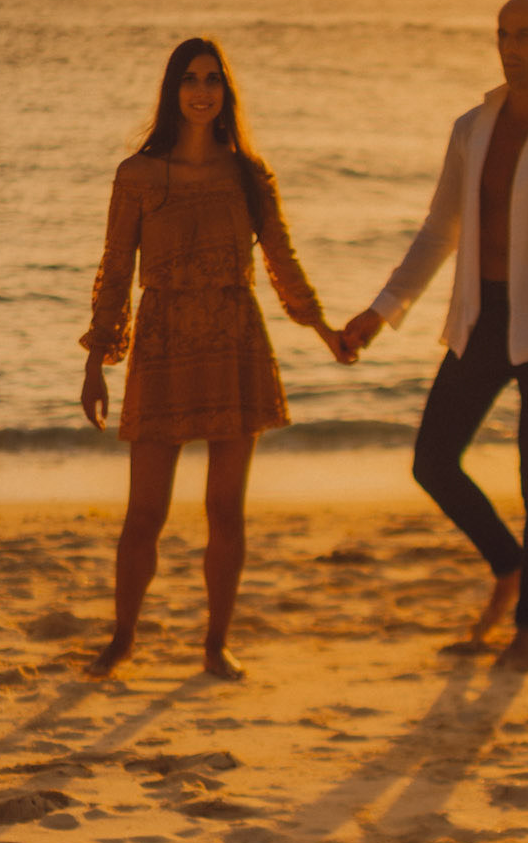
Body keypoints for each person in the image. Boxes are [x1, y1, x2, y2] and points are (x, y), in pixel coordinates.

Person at [341, 0, 528, 670]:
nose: (512, 46)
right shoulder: (472, 127)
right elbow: (441, 229)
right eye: (503, 34)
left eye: (526, 34)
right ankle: (509, 565)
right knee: (432, 462)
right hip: (480, 318)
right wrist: (380, 311)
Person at [80, 37, 350, 681]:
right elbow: (115, 270)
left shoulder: (248, 176)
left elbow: (282, 260)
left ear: (225, 93)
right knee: (144, 513)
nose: (202, 91)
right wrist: (96, 361)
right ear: (173, 92)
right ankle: (123, 637)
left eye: (213, 81)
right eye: (190, 80)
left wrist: (323, 330)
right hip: (163, 343)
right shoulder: (138, 177)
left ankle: (215, 644)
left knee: (226, 511)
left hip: (234, 341)